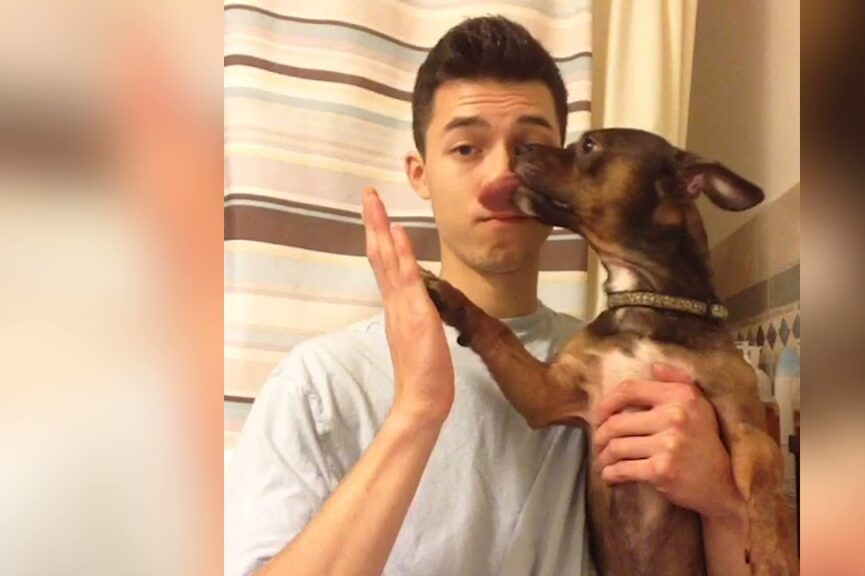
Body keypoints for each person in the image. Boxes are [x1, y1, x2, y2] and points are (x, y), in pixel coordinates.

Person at [225, 16, 749, 576]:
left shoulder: (623, 367)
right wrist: (418, 411)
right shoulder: (321, 384)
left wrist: (720, 500)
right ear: (419, 173)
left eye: (530, 147)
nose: (503, 171)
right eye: (468, 148)